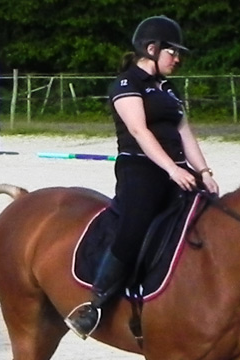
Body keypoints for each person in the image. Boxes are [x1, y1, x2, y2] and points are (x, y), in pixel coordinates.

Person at [64, 15, 222, 338]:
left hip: (177, 170)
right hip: (140, 169)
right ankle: (96, 304)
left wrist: (204, 172)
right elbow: (139, 131)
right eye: (173, 52)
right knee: (134, 226)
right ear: (151, 49)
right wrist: (172, 169)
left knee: (209, 216)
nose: (178, 59)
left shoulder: (168, 88)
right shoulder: (126, 84)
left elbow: (185, 132)